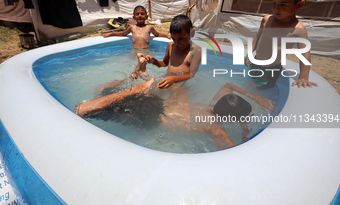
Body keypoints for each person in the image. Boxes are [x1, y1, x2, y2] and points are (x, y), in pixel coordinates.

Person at [75, 77, 274, 149]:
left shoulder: (214, 103)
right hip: (150, 118)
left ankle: (118, 90)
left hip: (154, 103)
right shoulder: (215, 128)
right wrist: (246, 136)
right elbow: (231, 155)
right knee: (87, 112)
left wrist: (257, 99)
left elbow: (228, 85)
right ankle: (86, 108)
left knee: (114, 99)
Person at [245, 0, 318, 89]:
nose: (276, 8)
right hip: (257, 62)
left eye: (283, 4)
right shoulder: (266, 19)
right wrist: (250, 53)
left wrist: (303, 77)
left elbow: (305, 54)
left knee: (263, 89)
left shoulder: (298, 30)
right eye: (274, 2)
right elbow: (258, 37)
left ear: (299, 4)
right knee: (251, 82)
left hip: (272, 68)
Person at [102, 5, 171, 49]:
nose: (140, 15)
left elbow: (157, 34)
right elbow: (123, 33)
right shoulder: (132, 27)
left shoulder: (149, 27)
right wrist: (111, 34)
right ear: (134, 17)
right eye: (137, 14)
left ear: (146, 17)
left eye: (142, 14)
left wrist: (166, 35)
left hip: (146, 50)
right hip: (134, 51)